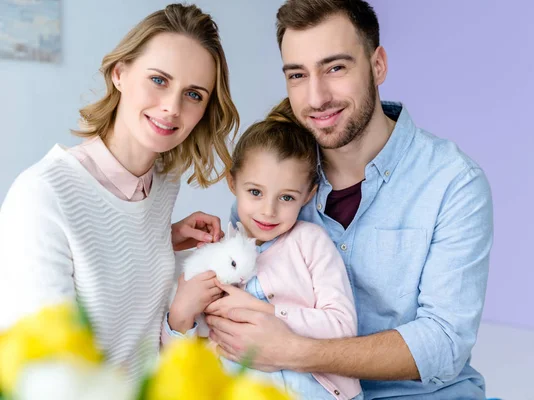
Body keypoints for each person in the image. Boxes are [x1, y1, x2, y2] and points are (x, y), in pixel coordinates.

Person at [205, 1, 494, 399]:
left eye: (335, 68)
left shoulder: (453, 183)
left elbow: (443, 342)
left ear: (377, 66)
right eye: (297, 75)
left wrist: (296, 351)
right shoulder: (271, 188)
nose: (317, 96)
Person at [0, 3, 238, 382]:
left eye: (194, 94)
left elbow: (138, 320)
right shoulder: (41, 196)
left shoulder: (162, 184)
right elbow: (42, 375)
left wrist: (164, 239)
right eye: (159, 80)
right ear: (120, 73)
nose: (171, 108)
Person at [164, 100, 363, 400]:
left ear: (308, 195)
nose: (268, 211)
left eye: (286, 197)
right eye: (255, 192)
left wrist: (265, 311)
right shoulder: (217, 256)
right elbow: (181, 365)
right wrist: (180, 316)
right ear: (233, 182)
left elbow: (342, 327)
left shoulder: (310, 242)